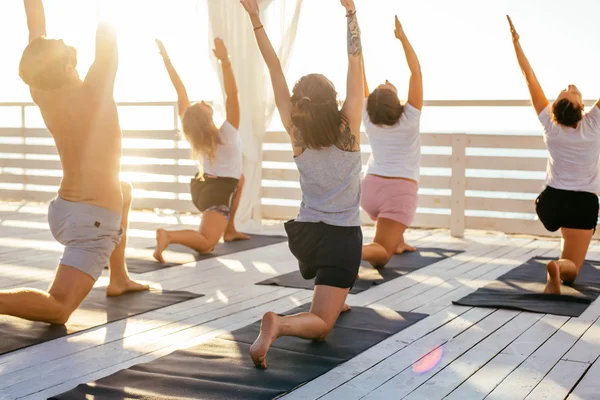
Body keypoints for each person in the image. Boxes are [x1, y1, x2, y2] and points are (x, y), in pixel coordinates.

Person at [0, 0, 149, 325]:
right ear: (67, 68)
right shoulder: (96, 89)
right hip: (91, 224)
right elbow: (107, 31)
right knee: (59, 309)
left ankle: (118, 277)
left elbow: (34, 26)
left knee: (124, 189)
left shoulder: (42, 92)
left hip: (65, 210)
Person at [241, 0, 364, 369]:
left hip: (306, 237)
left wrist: (255, 19)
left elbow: (274, 68)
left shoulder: (295, 132)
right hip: (341, 238)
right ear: (335, 101)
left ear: (299, 103)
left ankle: (336, 297)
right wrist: (351, 13)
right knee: (322, 325)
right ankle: (279, 324)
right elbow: (355, 62)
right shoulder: (349, 130)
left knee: (332, 290)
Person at [508, 16, 600, 295]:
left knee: (567, 247)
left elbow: (529, 78)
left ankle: (556, 269)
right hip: (582, 202)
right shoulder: (594, 125)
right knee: (574, 266)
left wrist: (517, 45)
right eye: (570, 91)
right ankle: (560, 269)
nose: (570, 86)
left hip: (552, 201)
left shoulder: (550, 125)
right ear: (581, 106)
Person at [152, 37, 249, 264]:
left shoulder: (195, 135)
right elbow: (232, 95)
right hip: (217, 191)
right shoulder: (227, 134)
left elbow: (180, 91)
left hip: (202, 186)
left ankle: (230, 228)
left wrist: (167, 60)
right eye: (202, 104)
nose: (204, 100)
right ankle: (168, 236)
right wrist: (225, 61)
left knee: (240, 179)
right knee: (206, 244)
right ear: (205, 118)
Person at [360, 15, 423, 268]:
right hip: (398, 192)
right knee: (382, 256)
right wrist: (403, 39)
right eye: (386, 87)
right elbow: (415, 72)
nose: (386, 81)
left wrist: (356, 41)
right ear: (393, 101)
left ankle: (398, 240)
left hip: (370, 189)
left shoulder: (368, 116)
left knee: (390, 230)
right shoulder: (409, 117)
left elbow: (358, 74)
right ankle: (347, 250)